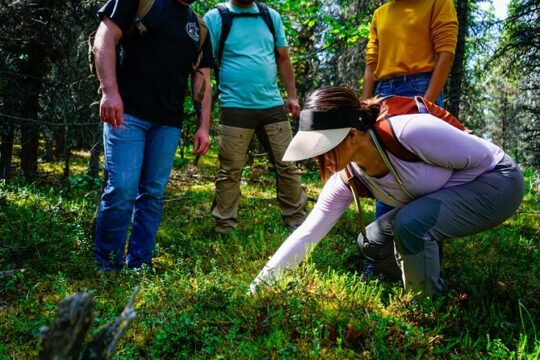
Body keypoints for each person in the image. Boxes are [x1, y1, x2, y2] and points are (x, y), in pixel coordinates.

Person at [250, 87, 524, 299]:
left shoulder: (410, 132)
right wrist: (259, 286)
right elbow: (308, 233)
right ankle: (430, 281)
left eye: (325, 147)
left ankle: (425, 307)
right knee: (372, 242)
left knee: (412, 222)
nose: (319, 157)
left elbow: (484, 159)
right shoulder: (347, 178)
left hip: (499, 182)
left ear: (353, 135)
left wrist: (428, 207)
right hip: (452, 197)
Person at [93, 0, 214, 271]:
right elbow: (105, 37)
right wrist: (109, 92)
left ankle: (140, 264)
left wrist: (203, 125)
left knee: (152, 194)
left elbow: (202, 78)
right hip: (126, 114)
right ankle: (107, 266)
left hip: (168, 123)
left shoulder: (199, 26)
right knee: (123, 189)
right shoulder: (142, 2)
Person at [203, 0, 307, 234]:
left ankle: (297, 223)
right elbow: (204, 66)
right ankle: (224, 227)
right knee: (230, 170)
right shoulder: (216, 18)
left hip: (272, 105)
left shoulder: (270, 16)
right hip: (234, 106)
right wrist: (205, 109)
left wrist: (292, 96)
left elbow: (283, 58)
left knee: (288, 164)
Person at [361, 0, 459, 217]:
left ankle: (423, 240)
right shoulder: (381, 13)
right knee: (386, 165)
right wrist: (362, 108)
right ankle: (385, 241)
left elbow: (446, 54)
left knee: (425, 167)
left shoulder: (438, 3)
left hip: (421, 86)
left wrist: (426, 105)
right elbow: (371, 64)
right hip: (383, 92)